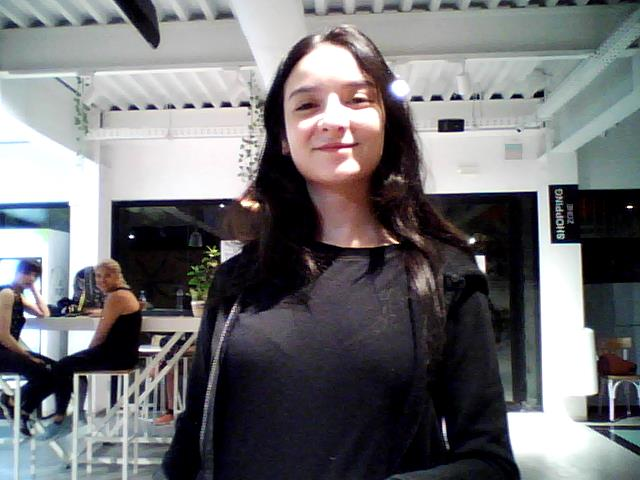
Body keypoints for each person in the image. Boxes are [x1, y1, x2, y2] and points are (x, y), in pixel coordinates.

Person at [160, 25, 519, 480]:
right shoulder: (239, 281)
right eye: (307, 105)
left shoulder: (445, 277)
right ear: (283, 137)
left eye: (358, 99)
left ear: (386, 120)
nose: (333, 119)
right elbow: (189, 448)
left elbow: (489, 463)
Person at [37, 259, 143, 439]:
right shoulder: (123, 295)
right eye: (98, 276)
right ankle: (76, 414)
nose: (102, 280)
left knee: (62, 366)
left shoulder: (116, 297)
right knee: (70, 366)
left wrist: (88, 352)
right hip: (124, 354)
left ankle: (60, 419)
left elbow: (101, 332)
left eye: (107, 276)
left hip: (116, 355)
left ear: (118, 276)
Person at [0, 259, 54, 436]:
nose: (30, 278)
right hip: (2, 351)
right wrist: (27, 356)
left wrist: (34, 290)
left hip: (7, 350)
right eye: (26, 273)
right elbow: (3, 336)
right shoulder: (7, 293)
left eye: (34, 276)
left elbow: (44, 313)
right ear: (17, 272)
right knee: (44, 373)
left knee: (56, 370)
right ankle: (15, 404)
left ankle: (18, 406)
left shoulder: (18, 296)